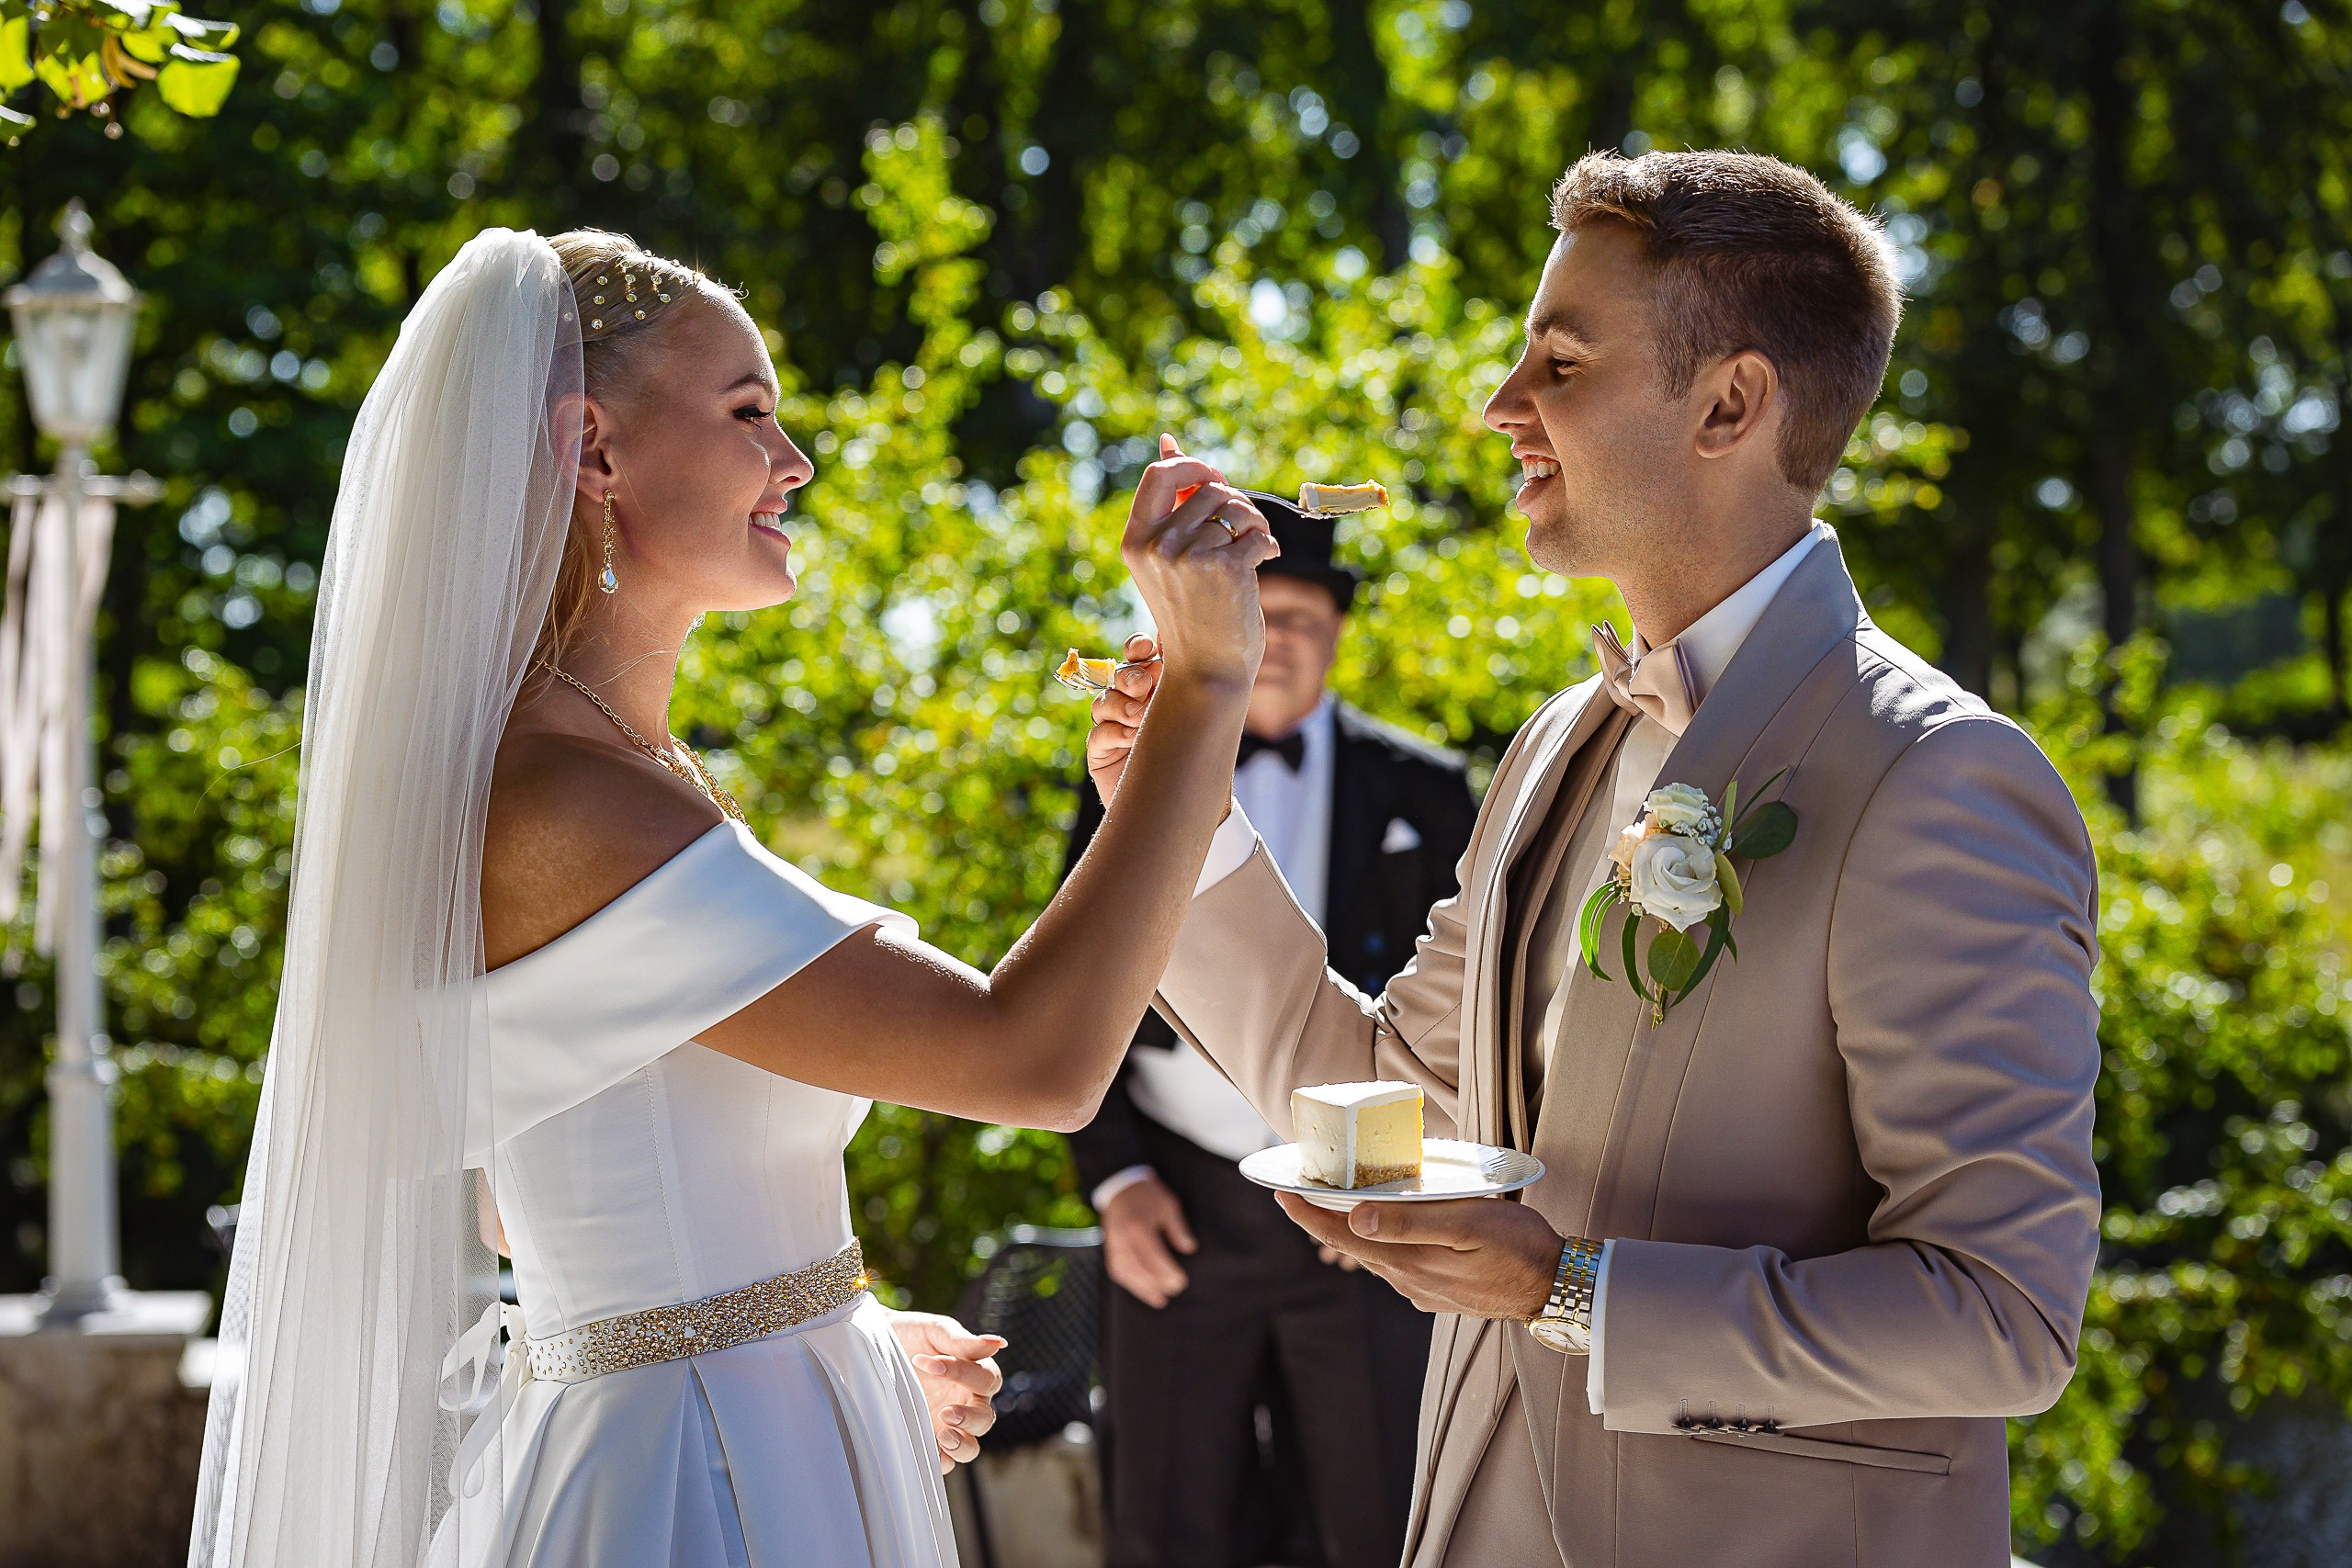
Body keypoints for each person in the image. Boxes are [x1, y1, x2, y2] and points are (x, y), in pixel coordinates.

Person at [188, 227, 1277, 1568]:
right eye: (750, 412)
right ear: (594, 451)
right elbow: (1035, 1057)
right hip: (691, 1483)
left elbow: (540, 1203)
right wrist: (1207, 695)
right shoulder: (569, 804)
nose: (795, 461)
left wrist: (845, 1343)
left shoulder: (629, 773)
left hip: (738, 1432)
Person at [1086, 151, 2101, 1568]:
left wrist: (1574, 1292)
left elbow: (2006, 1315)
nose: (1501, 409)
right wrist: (1182, 817)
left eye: (1557, 364)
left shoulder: (1939, 777)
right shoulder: (1558, 744)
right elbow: (1396, 1102)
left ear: (1731, 402)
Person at [1063, 496, 1476, 1568]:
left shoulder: (1425, 789)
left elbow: (1467, 1015)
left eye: (1303, 617)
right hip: (1181, 1205)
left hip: (1370, 1211)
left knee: (1377, 1511)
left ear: (1336, 634)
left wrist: (1399, 1192)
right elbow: (1072, 974)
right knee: (1167, 1519)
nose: (1280, 638)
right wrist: (1117, 1184)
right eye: (1260, 612)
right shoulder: (1130, 766)